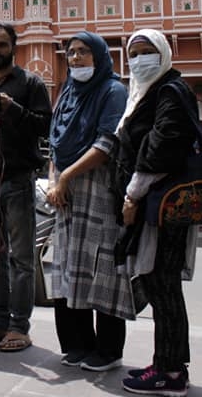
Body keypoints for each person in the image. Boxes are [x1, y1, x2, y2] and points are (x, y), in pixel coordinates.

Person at [115, 29, 199, 396]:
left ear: (163, 53)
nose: (139, 59)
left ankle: (170, 372)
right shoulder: (148, 92)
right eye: (134, 53)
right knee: (158, 282)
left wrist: (133, 194)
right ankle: (168, 364)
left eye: (148, 51)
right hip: (155, 203)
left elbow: (162, 143)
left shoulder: (170, 91)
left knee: (162, 284)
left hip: (160, 204)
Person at [46, 32, 134, 371]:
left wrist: (66, 177)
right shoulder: (67, 92)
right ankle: (78, 344)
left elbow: (107, 142)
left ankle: (108, 350)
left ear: (99, 56)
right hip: (65, 195)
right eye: (71, 52)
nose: (76, 58)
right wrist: (56, 179)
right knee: (69, 267)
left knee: (101, 267)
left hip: (98, 190)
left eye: (84, 52)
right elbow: (55, 140)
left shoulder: (113, 91)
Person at [0, 24, 52, 353]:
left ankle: (20, 326)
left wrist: (13, 109)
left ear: (13, 48)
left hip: (18, 181)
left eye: (2, 44)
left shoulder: (30, 84)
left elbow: (46, 126)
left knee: (22, 258)